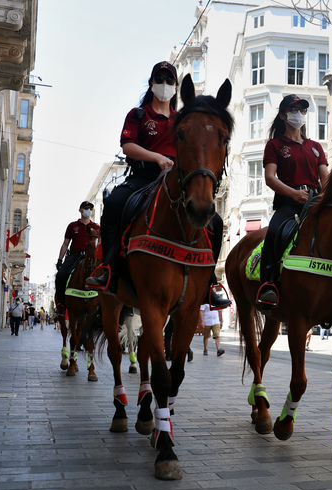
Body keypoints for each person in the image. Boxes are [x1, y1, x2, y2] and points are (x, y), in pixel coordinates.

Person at [86, 61, 230, 311]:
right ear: (152, 83)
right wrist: (157, 158)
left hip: (178, 179)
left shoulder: (184, 119)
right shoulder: (138, 115)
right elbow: (127, 146)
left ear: (175, 87)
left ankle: (209, 281)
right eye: (160, 79)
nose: (164, 85)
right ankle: (108, 269)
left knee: (215, 221)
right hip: (144, 176)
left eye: (169, 81)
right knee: (114, 204)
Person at [255, 95, 329, 311]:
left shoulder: (315, 146)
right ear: (283, 115)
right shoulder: (275, 145)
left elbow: (326, 178)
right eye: (294, 109)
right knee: (274, 232)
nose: (299, 114)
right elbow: (270, 178)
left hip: (315, 201)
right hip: (288, 203)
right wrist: (294, 194)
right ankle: (268, 283)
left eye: (303, 110)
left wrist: (326, 195)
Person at [55, 201, 100, 318]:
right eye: (86, 208)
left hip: (92, 257)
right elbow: (65, 244)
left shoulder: (97, 227)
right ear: (80, 210)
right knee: (60, 275)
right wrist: (60, 259)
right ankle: (61, 305)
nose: (88, 210)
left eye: (90, 208)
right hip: (74, 255)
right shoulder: (72, 226)